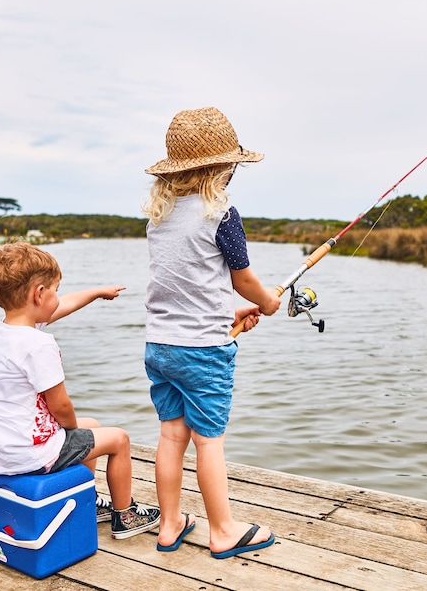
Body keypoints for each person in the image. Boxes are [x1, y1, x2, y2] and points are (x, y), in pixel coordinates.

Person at [143, 106, 281, 558]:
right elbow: (242, 278)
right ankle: (222, 531)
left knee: (170, 435)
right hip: (203, 352)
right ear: (224, 167)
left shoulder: (158, 217)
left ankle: (169, 525)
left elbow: (185, 285)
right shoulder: (222, 215)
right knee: (208, 441)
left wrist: (228, 315)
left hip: (160, 345)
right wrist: (267, 302)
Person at [0, 241, 161, 540]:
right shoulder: (39, 345)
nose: (58, 297)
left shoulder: (7, 331)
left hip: (5, 452)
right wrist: (70, 430)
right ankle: (125, 515)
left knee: (93, 427)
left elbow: (59, 307)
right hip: (33, 454)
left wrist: (95, 292)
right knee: (118, 439)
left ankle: (83, 501)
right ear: (39, 294)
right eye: (55, 289)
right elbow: (61, 406)